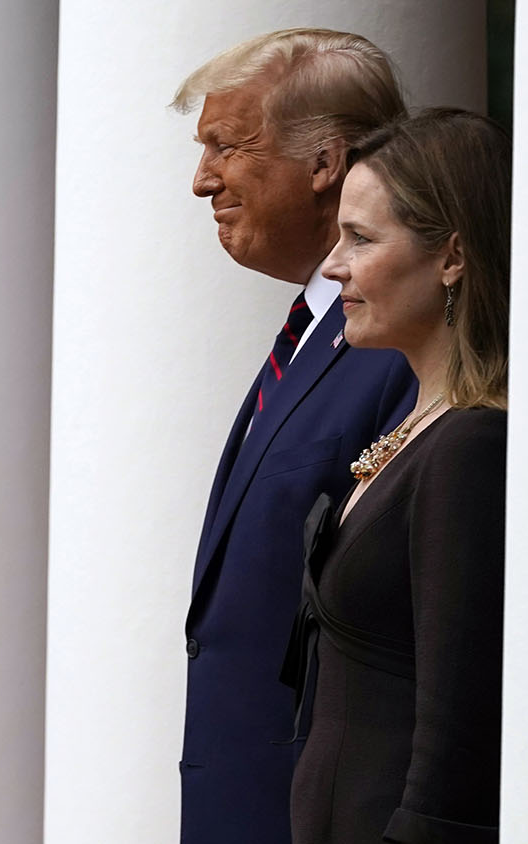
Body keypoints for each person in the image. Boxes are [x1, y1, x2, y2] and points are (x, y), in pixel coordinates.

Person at [171, 29, 419, 844]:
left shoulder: (400, 349)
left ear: (324, 165)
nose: (202, 180)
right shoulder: (317, 332)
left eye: (224, 146)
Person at [285, 107, 510, 844]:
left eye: (361, 239)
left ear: (450, 256)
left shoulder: (471, 445)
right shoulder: (419, 426)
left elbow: (459, 731)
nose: (333, 265)